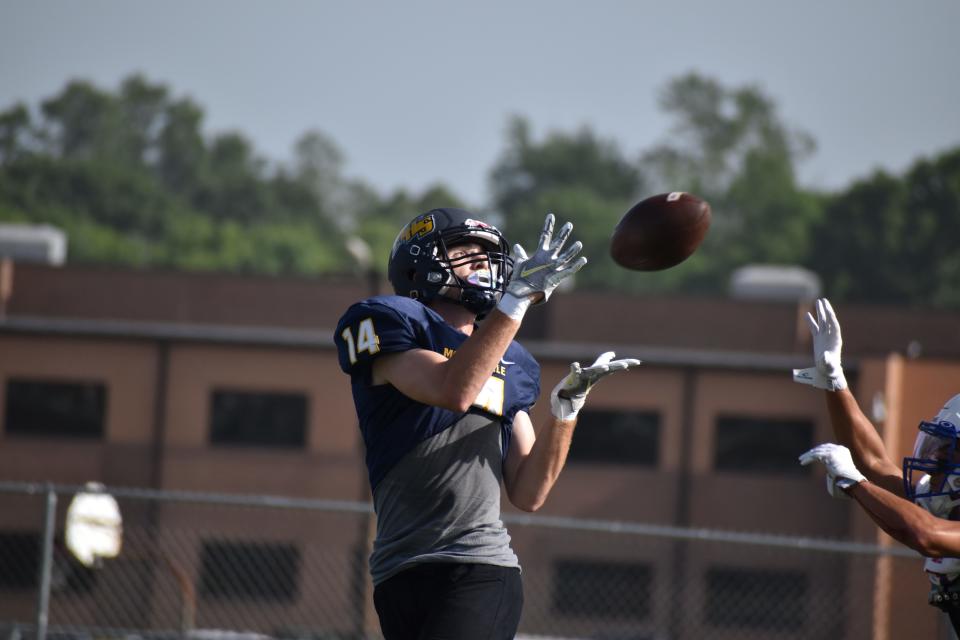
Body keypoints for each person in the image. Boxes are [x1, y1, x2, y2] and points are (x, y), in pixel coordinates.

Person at [334, 207, 640, 639]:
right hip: (398, 568)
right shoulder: (390, 319)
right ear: (420, 263)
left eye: (486, 252)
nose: (482, 260)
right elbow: (453, 389)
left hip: (478, 565)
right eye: (466, 249)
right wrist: (513, 304)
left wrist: (565, 410)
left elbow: (529, 491)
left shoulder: (515, 361)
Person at [794, 297, 960, 631]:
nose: (934, 463)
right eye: (937, 449)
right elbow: (872, 462)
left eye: (947, 453)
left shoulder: (936, 522)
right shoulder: (944, 504)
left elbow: (923, 534)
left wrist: (855, 485)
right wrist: (835, 380)